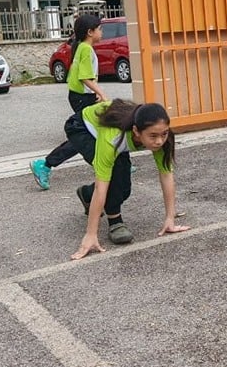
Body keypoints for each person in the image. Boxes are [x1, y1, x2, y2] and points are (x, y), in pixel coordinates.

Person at [67, 99, 190, 260]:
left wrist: (169, 218)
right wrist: (90, 234)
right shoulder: (112, 138)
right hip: (81, 127)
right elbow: (101, 186)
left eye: (164, 134)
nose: (159, 141)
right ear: (136, 131)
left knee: (124, 189)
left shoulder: (162, 136)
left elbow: (166, 175)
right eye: (153, 136)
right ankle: (115, 222)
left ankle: (86, 194)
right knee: (115, 173)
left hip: (115, 130)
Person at [30, 14, 109, 190]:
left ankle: (111, 163)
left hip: (79, 95)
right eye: (99, 29)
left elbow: (77, 75)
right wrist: (101, 94)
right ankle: (45, 164)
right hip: (83, 97)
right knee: (83, 135)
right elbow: (85, 77)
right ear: (90, 32)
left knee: (97, 130)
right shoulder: (86, 49)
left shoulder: (80, 46)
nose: (102, 32)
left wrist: (94, 93)